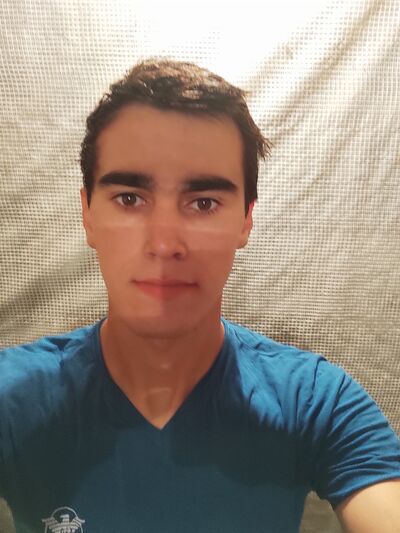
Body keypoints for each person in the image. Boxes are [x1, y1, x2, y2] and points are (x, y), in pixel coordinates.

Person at [0, 57, 399, 533]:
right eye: (129, 198)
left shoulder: (315, 401)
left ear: (246, 220)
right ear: (87, 214)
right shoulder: (12, 396)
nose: (164, 244)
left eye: (204, 203)